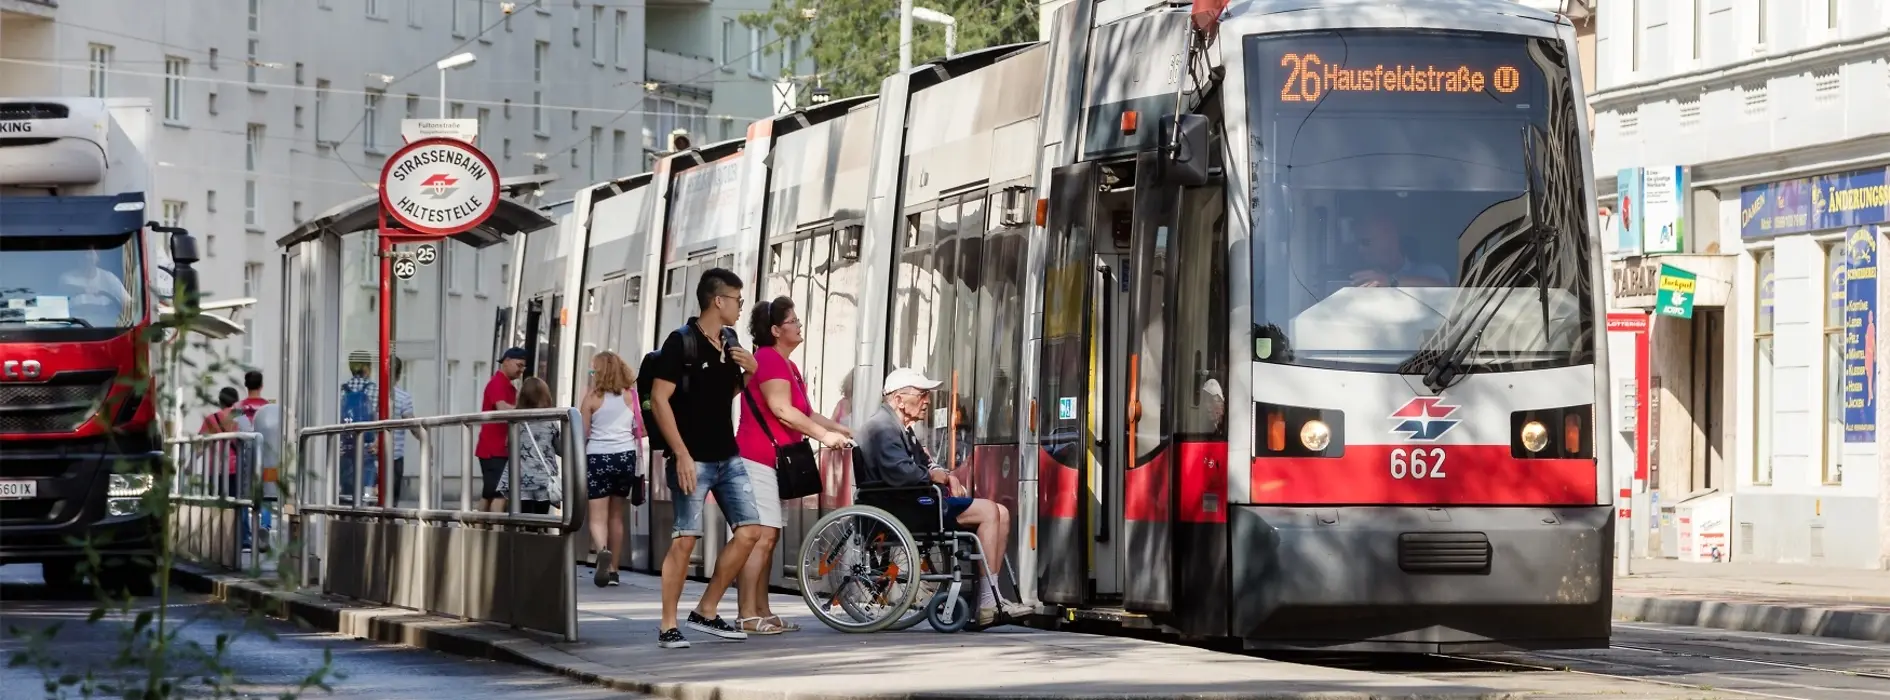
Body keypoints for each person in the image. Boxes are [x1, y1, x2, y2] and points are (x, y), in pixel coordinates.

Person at [856, 368, 1034, 627]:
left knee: (1001, 512)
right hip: (907, 507)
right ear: (898, 399)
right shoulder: (882, 428)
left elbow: (922, 464)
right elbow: (901, 472)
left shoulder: (897, 427)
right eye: (922, 394)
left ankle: (990, 598)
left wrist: (939, 472)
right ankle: (987, 602)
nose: (927, 401)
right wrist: (934, 477)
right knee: (988, 511)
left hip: (910, 501)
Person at [649, 268, 761, 650]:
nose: (740, 307)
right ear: (718, 300)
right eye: (737, 300)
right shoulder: (681, 342)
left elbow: (722, 393)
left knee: (750, 531)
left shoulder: (729, 340)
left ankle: (706, 610)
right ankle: (668, 625)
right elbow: (660, 399)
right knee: (685, 538)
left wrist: (749, 373)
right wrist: (680, 453)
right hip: (692, 458)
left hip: (727, 455)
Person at [733, 297, 851, 635]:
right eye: (793, 321)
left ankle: (763, 611)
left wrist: (843, 429)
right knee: (762, 536)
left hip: (774, 462)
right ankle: (746, 615)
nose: (799, 326)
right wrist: (823, 437)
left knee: (769, 538)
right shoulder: (768, 359)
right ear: (775, 330)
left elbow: (807, 412)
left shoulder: (789, 366)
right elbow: (782, 409)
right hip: (757, 459)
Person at [581, 350, 645, 588]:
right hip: (625, 457)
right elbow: (642, 428)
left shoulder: (591, 399)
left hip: (598, 457)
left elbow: (583, 433)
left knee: (597, 517)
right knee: (617, 515)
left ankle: (602, 551)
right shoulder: (632, 396)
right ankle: (614, 570)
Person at [496, 377, 561, 515]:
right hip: (543, 480)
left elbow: (508, 445)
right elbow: (560, 449)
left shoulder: (516, 422)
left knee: (523, 517)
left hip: (521, 479)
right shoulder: (550, 422)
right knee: (541, 518)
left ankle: (524, 535)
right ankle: (540, 534)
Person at [476, 348, 529, 513]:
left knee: (490, 493)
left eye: (523, 367)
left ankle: (478, 529)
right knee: (499, 494)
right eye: (519, 365)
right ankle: (494, 533)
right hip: (493, 449)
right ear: (506, 361)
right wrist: (526, 411)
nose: (521, 370)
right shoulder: (497, 383)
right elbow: (502, 407)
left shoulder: (509, 387)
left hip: (499, 449)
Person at [1349, 216, 1449, 289]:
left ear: (1390, 238)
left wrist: (1391, 281)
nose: (1360, 250)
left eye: (1366, 242)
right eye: (1358, 244)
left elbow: (1444, 289)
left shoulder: (1429, 271)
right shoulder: (1355, 277)